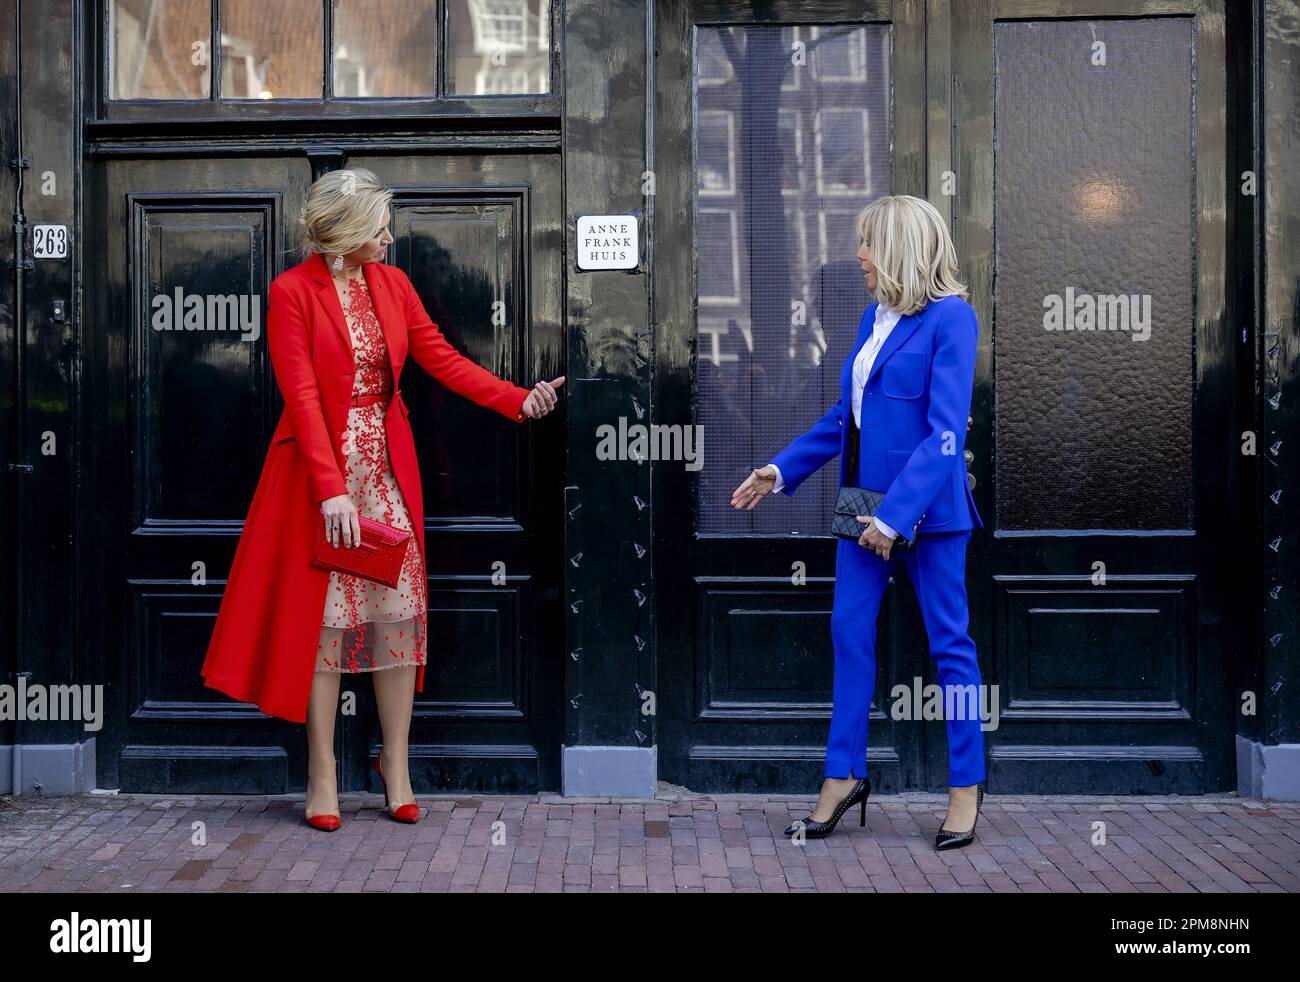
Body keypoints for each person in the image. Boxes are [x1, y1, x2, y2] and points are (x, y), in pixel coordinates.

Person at [200, 168, 563, 830]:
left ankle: (395, 764)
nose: (390, 240)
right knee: (325, 627)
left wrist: (518, 399)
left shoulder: (393, 285)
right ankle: (322, 774)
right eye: (378, 229)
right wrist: (332, 491)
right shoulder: (291, 293)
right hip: (321, 480)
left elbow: (441, 358)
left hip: (387, 474)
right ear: (342, 236)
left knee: (398, 621)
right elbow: (302, 395)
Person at [731, 194, 987, 849]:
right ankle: (842, 776)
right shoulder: (875, 319)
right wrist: (779, 470)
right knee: (849, 634)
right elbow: (843, 419)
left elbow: (945, 435)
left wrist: (897, 517)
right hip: (863, 502)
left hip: (928, 509)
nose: (860, 256)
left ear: (900, 247)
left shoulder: (952, 320)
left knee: (950, 648)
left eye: (869, 243)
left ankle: (965, 786)